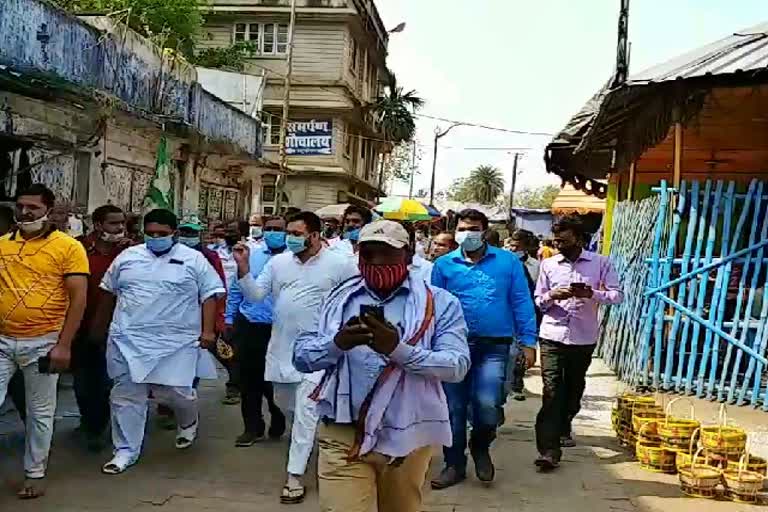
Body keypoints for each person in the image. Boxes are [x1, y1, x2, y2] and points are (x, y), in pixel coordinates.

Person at [294, 220, 470, 512]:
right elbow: (301, 357)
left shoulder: (439, 303)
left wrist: (397, 350)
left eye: (386, 254)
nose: (376, 262)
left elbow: (457, 366)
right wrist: (337, 343)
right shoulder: (337, 300)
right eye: (368, 254)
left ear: (409, 255)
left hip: (407, 433)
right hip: (342, 430)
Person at [235, 211, 357, 504]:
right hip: (281, 349)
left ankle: (294, 477)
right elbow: (255, 294)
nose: (290, 237)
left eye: (297, 233)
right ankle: (321, 438)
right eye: (288, 232)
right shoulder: (278, 263)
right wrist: (242, 268)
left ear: (315, 235)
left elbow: (355, 297)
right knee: (285, 405)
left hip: (319, 351)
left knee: (305, 412)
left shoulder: (340, 265)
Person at [96, 209, 225, 475]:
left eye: (162, 234)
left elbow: (209, 295)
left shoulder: (194, 260)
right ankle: (125, 451)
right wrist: (99, 329)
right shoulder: (128, 257)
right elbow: (108, 292)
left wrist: (208, 331)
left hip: (176, 341)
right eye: (151, 233)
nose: (156, 238)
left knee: (177, 393)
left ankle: (188, 422)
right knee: (126, 395)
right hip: (128, 338)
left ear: (174, 234)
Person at [430, 208, 538, 489]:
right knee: (452, 409)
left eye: (474, 228)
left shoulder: (507, 263)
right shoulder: (443, 265)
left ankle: (480, 444)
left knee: (488, 404)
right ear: (456, 231)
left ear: (485, 231)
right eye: (463, 228)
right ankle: (453, 464)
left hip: (494, 346)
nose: (468, 234)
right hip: (453, 346)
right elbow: (433, 307)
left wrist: (528, 341)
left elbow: (521, 301)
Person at [0, 184, 89, 499]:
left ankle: (34, 473)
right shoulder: (2, 245)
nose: (25, 213)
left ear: (48, 210)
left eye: (33, 208)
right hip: (2, 341)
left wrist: (64, 345)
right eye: (20, 206)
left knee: (40, 411)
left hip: (44, 342)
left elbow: (78, 299)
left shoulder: (68, 247)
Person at [534, 216, 623, 471]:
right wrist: (552, 295)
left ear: (578, 236)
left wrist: (591, 294)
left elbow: (617, 295)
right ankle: (549, 450)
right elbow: (539, 300)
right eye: (556, 238)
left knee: (573, 389)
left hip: (584, 337)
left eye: (564, 238)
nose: (558, 243)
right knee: (551, 390)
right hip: (552, 335)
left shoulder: (601, 263)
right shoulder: (549, 265)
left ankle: (565, 423)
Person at [226, 216, 287, 447]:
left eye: (278, 229)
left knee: (275, 379)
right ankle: (252, 427)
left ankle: (278, 415)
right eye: (268, 229)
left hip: (279, 328)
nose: (273, 233)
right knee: (248, 379)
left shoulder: (292, 259)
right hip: (250, 324)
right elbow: (236, 288)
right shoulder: (252, 255)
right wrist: (230, 317)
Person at [75, 205, 131, 451]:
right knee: (84, 381)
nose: (119, 228)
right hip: (81, 324)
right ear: (97, 225)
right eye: (113, 223)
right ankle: (90, 421)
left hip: (119, 326)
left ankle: (98, 426)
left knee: (109, 380)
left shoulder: (131, 252)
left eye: (122, 223)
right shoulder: (77, 248)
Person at [177, 217, 235, 405]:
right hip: (174, 316)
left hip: (202, 316)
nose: (188, 236)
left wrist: (217, 320)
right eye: (185, 232)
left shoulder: (209, 257)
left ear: (199, 234)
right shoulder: (169, 254)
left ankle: (187, 399)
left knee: (197, 359)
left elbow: (218, 289)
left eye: (192, 233)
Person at [505, 229, 541, 402]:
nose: (514, 248)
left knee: (520, 351)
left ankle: (517, 383)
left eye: (518, 246)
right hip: (505, 313)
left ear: (526, 247)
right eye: (512, 245)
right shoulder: (503, 262)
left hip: (526, 311)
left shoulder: (536, 265)